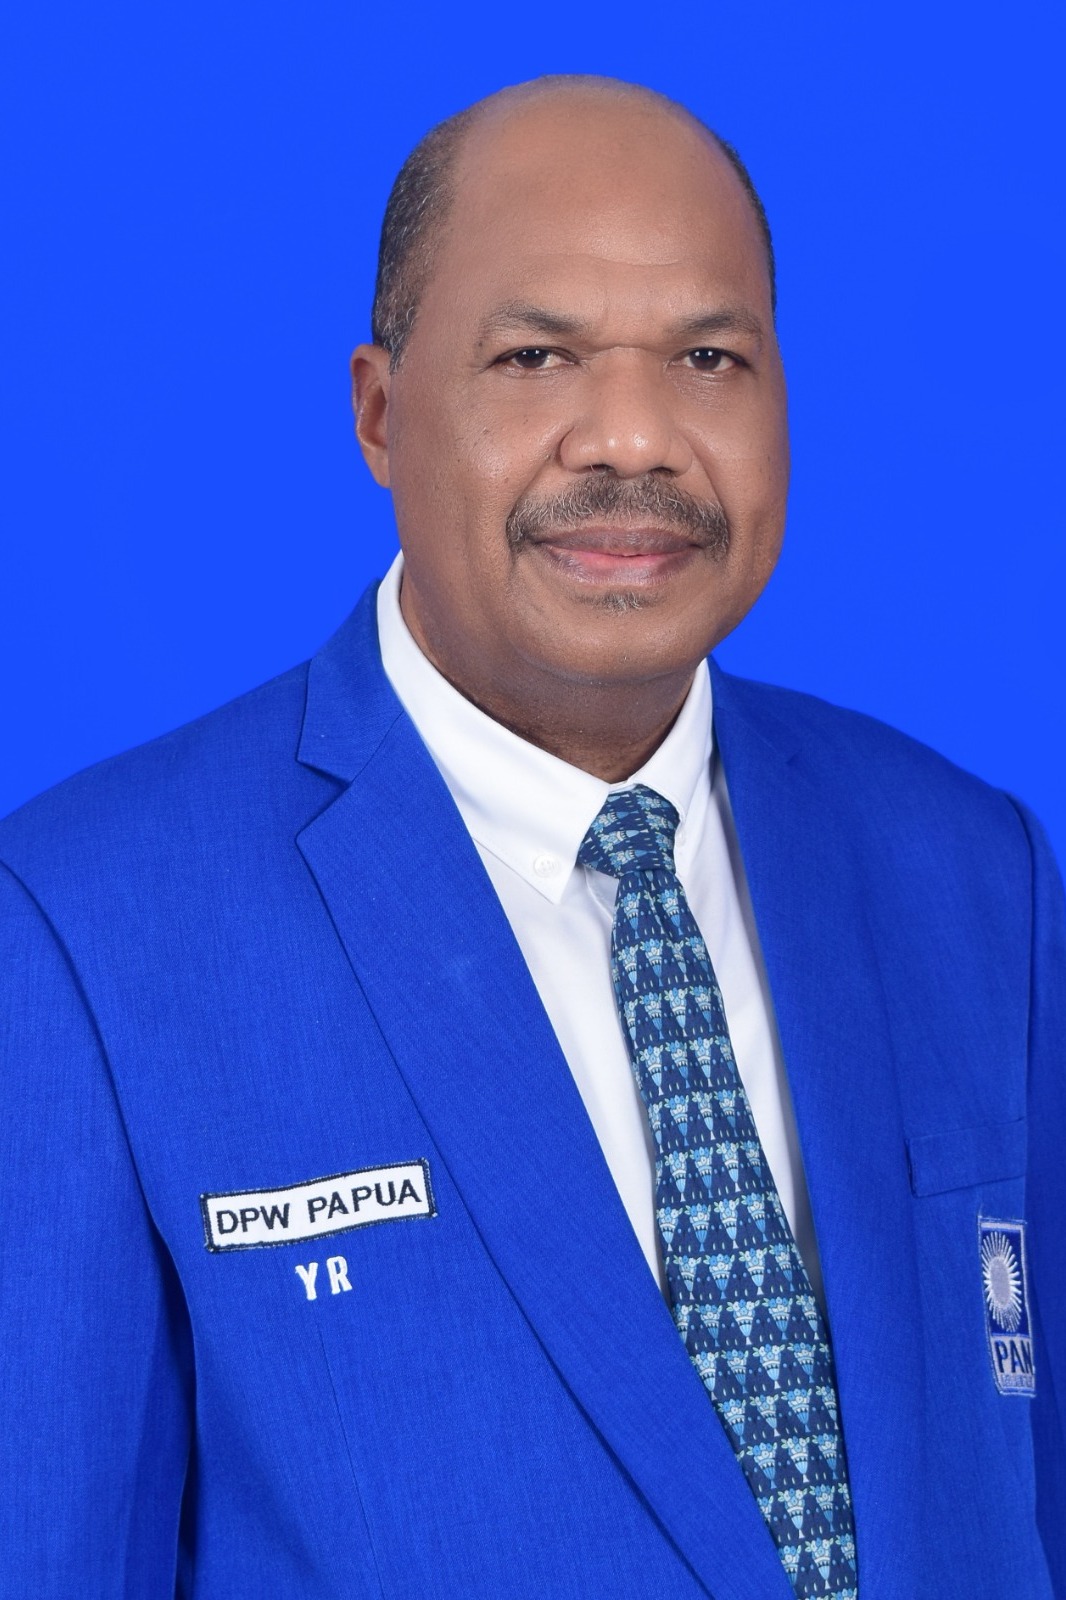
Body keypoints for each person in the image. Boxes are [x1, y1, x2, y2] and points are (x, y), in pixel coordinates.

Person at [0, 73, 1062, 1600]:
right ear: (380, 412)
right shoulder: (82, 931)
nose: (631, 436)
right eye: (533, 356)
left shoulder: (968, 868)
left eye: (708, 357)